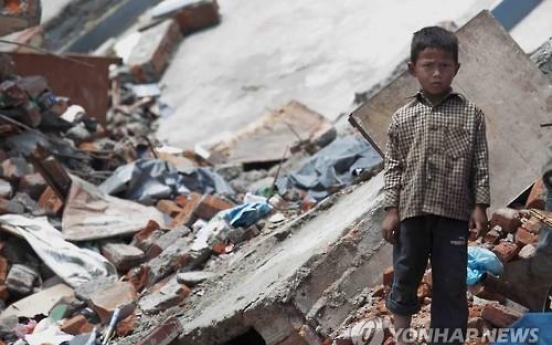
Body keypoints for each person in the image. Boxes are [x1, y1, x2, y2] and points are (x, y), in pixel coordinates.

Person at [382, 26, 490, 345]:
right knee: (405, 275)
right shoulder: (402, 118)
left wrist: (480, 205)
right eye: (428, 66)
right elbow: (393, 168)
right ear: (412, 69)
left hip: (453, 213)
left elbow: (480, 163)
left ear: (456, 68)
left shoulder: (472, 115)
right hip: (411, 212)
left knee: (451, 282)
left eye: (444, 65)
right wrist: (391, 209)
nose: (437, 73)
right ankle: (402, 338)